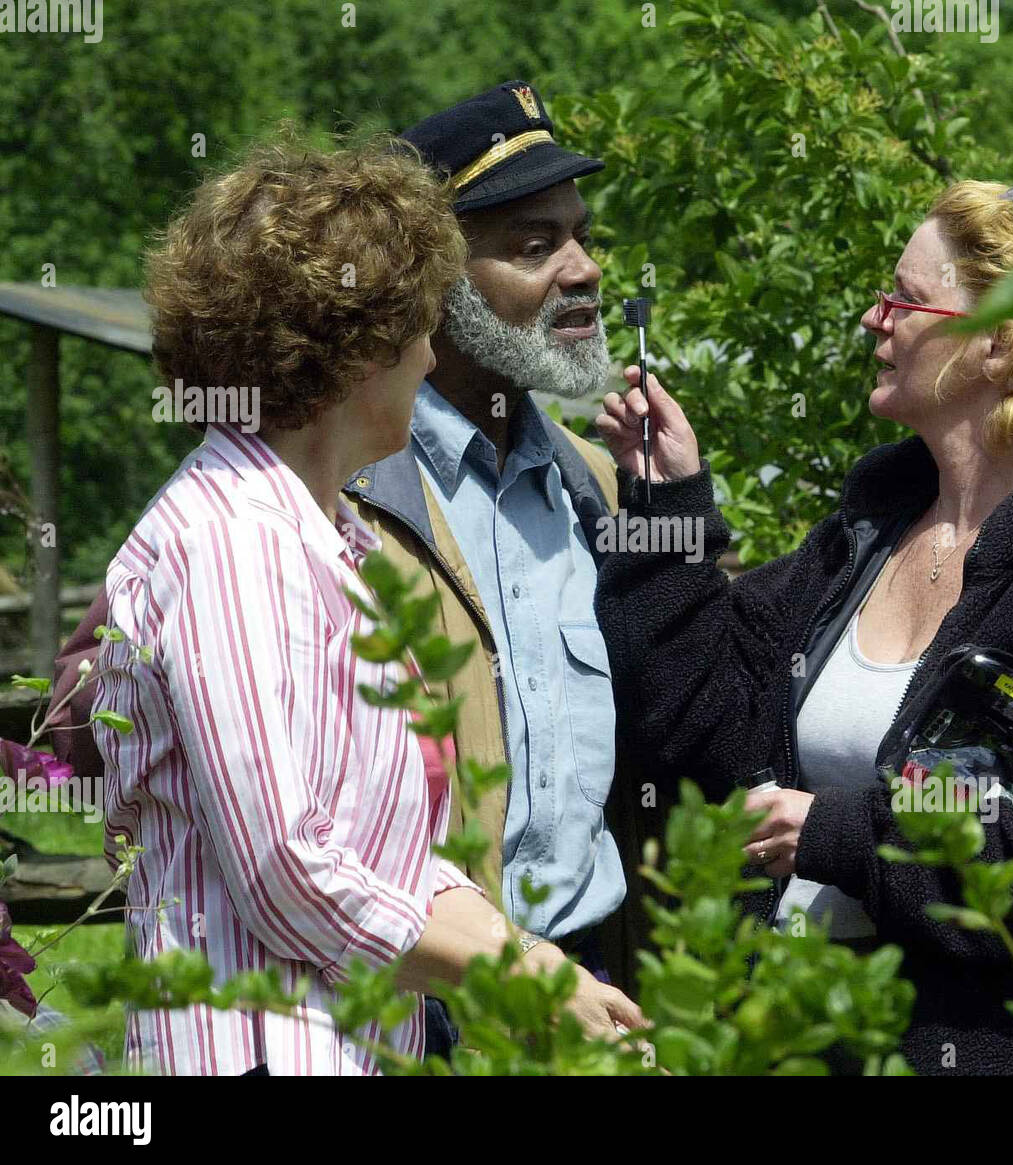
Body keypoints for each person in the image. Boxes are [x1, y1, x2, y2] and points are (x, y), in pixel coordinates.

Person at [592, 162, 1013, 1076]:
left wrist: (848, 834)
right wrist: (666, 510)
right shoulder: (868, 536)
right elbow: (697, 721)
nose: (875, 319)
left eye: (904, 300)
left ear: (997, 344)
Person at [52, 81, 656, 1039]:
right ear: (350, 346)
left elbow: (383, 842)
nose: (426, 357)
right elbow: (288, 864)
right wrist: (518, 968)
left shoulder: (327, 527)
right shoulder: (234, 541)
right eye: (414, 325)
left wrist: (535, 959)